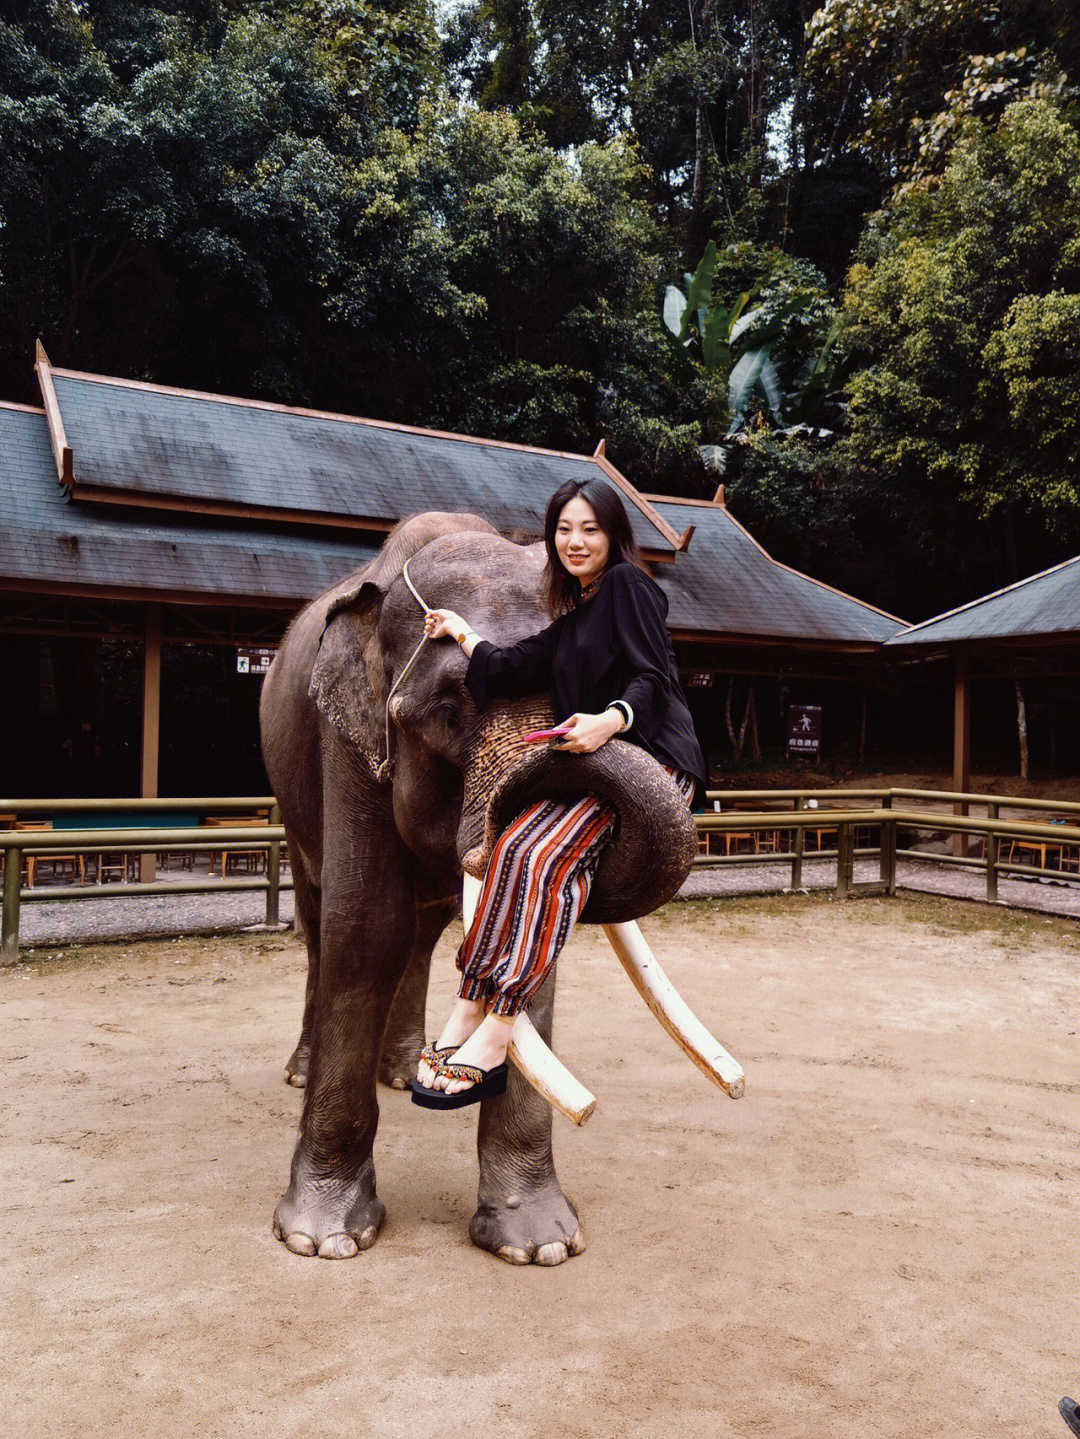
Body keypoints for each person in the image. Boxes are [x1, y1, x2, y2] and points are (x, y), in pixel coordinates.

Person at [410, 477, 706, 1109]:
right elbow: (508, 666)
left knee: (544, 857)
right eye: (564, 530)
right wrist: (460, 632)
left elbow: (654, 677)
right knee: (512, 848)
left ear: (613, 537)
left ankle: (499, 1025)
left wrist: (610, 718)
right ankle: (468, 1004)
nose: (575, 542)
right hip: (594, 771)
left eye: (589, 529)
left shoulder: (629, 587)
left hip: (646, 768)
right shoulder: (570, 621)